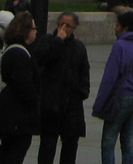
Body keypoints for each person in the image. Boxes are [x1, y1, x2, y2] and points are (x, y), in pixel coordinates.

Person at [92, 8, 133, 164]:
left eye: (117, 25)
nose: (115, 29)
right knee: (128, 142)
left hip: (121, 97)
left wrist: (99, 105)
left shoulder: (120, 46)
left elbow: (110, 78)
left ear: (125, 28)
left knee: (108, 141)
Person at [0, 11, 41, 164]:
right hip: (17, 117)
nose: (36, 32)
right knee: (14, 153)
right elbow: (23, 85)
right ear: (26, 31)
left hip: (10, 116)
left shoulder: (12, 49)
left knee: (7, 152)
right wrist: (36, 101)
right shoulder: (19, 53)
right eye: (34, 29)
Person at [34, 12, 90, 164]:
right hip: (51, 103)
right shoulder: (47, 40)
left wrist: (82, 92)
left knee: (70, 146)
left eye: (68, 26)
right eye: (61, 25)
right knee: (47, 146)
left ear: (74, 28)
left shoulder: (78, 47)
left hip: (72, 105)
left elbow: (84, 71)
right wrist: (58, 40)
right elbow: (40, 58)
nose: (64, 28)